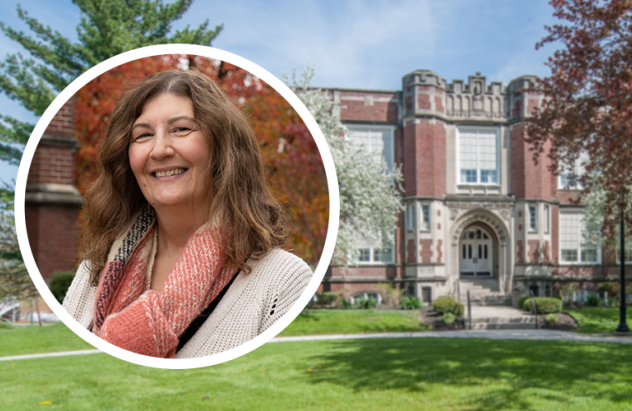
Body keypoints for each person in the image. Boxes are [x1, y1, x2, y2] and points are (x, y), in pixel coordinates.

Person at [63, 69, 313, 358]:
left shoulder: (282, 282)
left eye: (180, 129)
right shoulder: (96, 269)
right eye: (143, 135)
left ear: (222, 148)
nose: (159, 149)